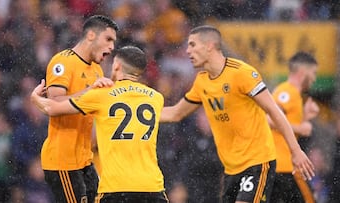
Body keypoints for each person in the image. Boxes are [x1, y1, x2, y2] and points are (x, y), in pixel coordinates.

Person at [159, 25, 315, 203]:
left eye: (192, 45)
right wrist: (139, 109)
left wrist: (296, 151)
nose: (188, 51)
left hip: (257, 162)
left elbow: (274, 111)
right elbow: (175, 113)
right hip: (231, 169)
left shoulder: (242, 73)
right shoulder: (202, 82)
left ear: (209, 46)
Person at [31, 46, 168, 203]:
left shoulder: (102, 94)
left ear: (117, 66)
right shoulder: (157, 98)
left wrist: (35, 98)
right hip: (152, 187)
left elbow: (52, 108)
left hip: (116, 189)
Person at [41, 15, 118, 203]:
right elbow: (55, 102)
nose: (112, 47)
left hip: (85, 160)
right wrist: (91, 91)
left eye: (114, 42)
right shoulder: (63, 62)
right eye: (108, 39)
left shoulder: (97, 71)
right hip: (63, 161)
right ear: (91, 35)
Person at [269, 52, 319, 203]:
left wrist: (305, 117)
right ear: (303, 72)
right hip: (285, 166)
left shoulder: (295, 95)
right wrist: (301, 128)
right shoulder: (286, 92)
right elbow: (268, 119)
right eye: (313, 73)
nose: (314, 78)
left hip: (283, 167)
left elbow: (284, 124)